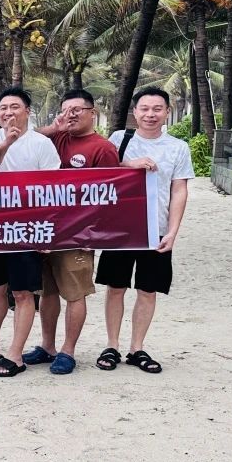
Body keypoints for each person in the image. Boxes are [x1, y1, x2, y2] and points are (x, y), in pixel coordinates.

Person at [94, 87, 193, 374]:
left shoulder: (178, 147)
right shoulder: (119, 140)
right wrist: (129, 163)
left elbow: (179, 190)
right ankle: (112, 345)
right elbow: (101, 173)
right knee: (115, 287)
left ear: (167, 112)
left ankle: (137, 348)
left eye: (157, 109)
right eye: (145, 109)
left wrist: (172, 232)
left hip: (157, 230)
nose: (151, 114)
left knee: (148, 290)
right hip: (121, 229)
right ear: (135, 112)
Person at [0, 87, 59, 377]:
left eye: (15, 107)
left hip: (26, 229)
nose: (8, 112)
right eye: (3, 108)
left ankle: (15, 355)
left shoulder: (41, 144)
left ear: (28, 111)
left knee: (22, 293)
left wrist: (45, 232)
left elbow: (54, 191)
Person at [26, 88, 121, 374]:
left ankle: (68, 350)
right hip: (47, 230)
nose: (71, 115)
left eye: (77, 110)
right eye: (66, 110)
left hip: (78, 234)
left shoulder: (102, 148)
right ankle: (47, 346)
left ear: (93, 113)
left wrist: (95, 234)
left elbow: (109, 194)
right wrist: (54, 127)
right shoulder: (56, 138)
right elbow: (25, 140)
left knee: (74, 294)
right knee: (47, 292)